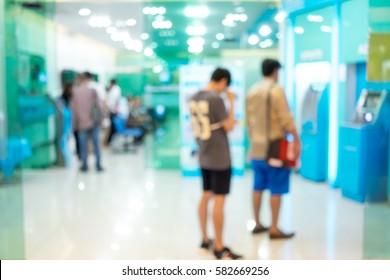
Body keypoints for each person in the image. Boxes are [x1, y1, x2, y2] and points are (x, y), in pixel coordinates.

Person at [189, 68, 242, 260]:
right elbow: (229, 126)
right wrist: (231, 102)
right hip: (219, 156)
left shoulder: (194, 96)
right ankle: (219, 246)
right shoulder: (216, 99)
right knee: (219, 199)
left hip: (204, 153)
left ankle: (205, 239)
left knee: (205, 195)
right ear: (223, 81)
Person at [246, 59, 301, 239]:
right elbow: (286, 117)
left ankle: (257, 222)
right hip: (275, 147)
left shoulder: (252, 90)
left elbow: (249, 121)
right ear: (275, 71)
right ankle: (274, 228)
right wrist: (296, 138)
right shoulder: (276, 90)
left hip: (256, 147)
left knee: (258, 186)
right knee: (276, 187)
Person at [71, 73, 105, 172]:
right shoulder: (92, 91)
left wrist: (74, 125)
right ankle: (98, 165)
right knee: (96, 145)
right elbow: (99, 106)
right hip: (93, 122)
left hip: (81, 123)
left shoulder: (76, 93)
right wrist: (101, 120)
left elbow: (74, 110)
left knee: (83, 146)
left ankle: (84, 165)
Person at [106, 79, 122, 145]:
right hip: (111, 110)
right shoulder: (112, 89)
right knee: (111, 126)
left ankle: (110, 140)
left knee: (112, 126)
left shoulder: (116, 89)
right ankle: (109, 140)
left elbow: (115, 101)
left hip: (113, 110)